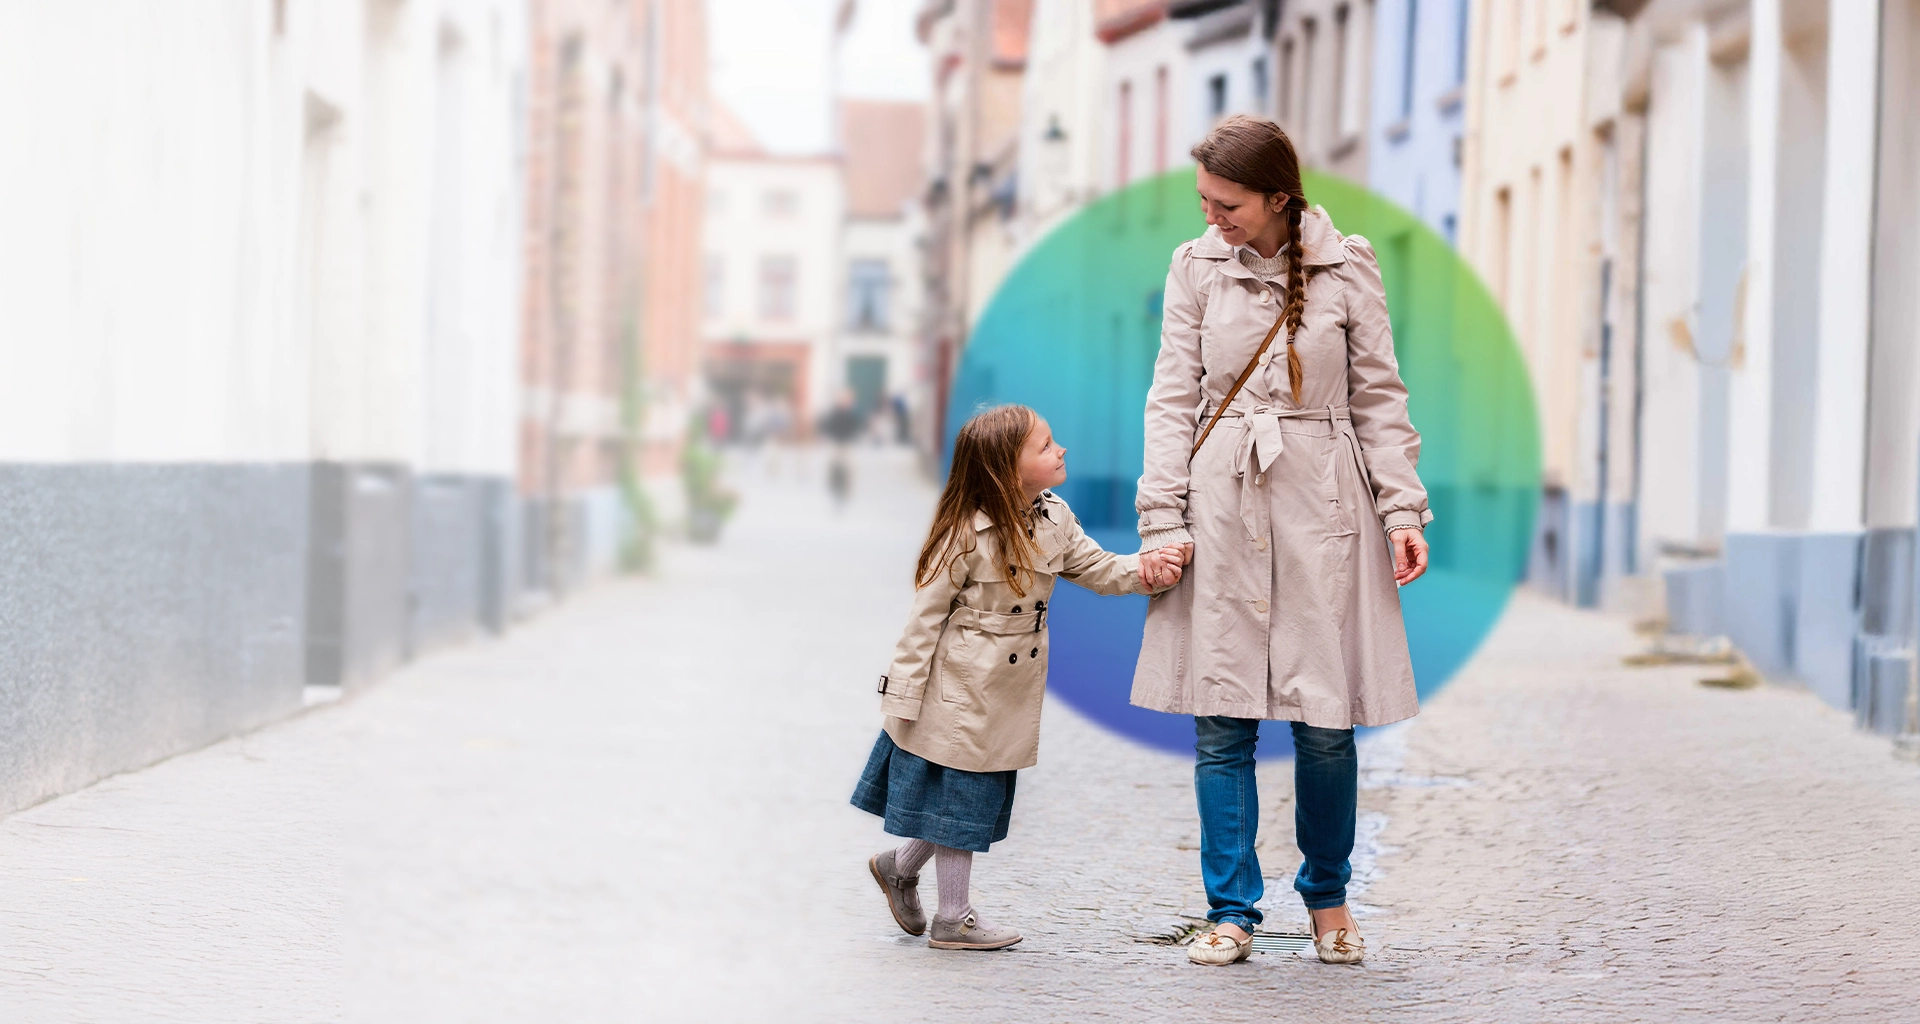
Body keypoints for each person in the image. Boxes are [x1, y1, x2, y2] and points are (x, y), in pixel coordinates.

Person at [1130, 115, 1432, 967]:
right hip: (1222, 503)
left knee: (1324, 723)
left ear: (1275, 196)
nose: (1213, 217)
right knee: (1221, 721)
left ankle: (1329, 902)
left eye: (1227, 204)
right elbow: (1170, 399)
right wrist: (1164, 517)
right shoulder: (1195, 267)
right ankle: (1230, 911)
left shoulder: (1348, 265)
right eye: (1205, 202)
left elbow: (1379, 398)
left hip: (1322, 507)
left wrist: (1401, 510)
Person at [853, 404, 1188, 950]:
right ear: (1008, 469)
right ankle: (952, 918)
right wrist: (905, 696)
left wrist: (1149, 570)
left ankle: (899, 866)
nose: (1061, 451)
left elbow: (1097, 568)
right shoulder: (965, 532)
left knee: (969, 797)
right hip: (958, 685)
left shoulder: (1053, 517)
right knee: (963, 797)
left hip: (1007, 686)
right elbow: (923, 622)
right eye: (1046, 446)